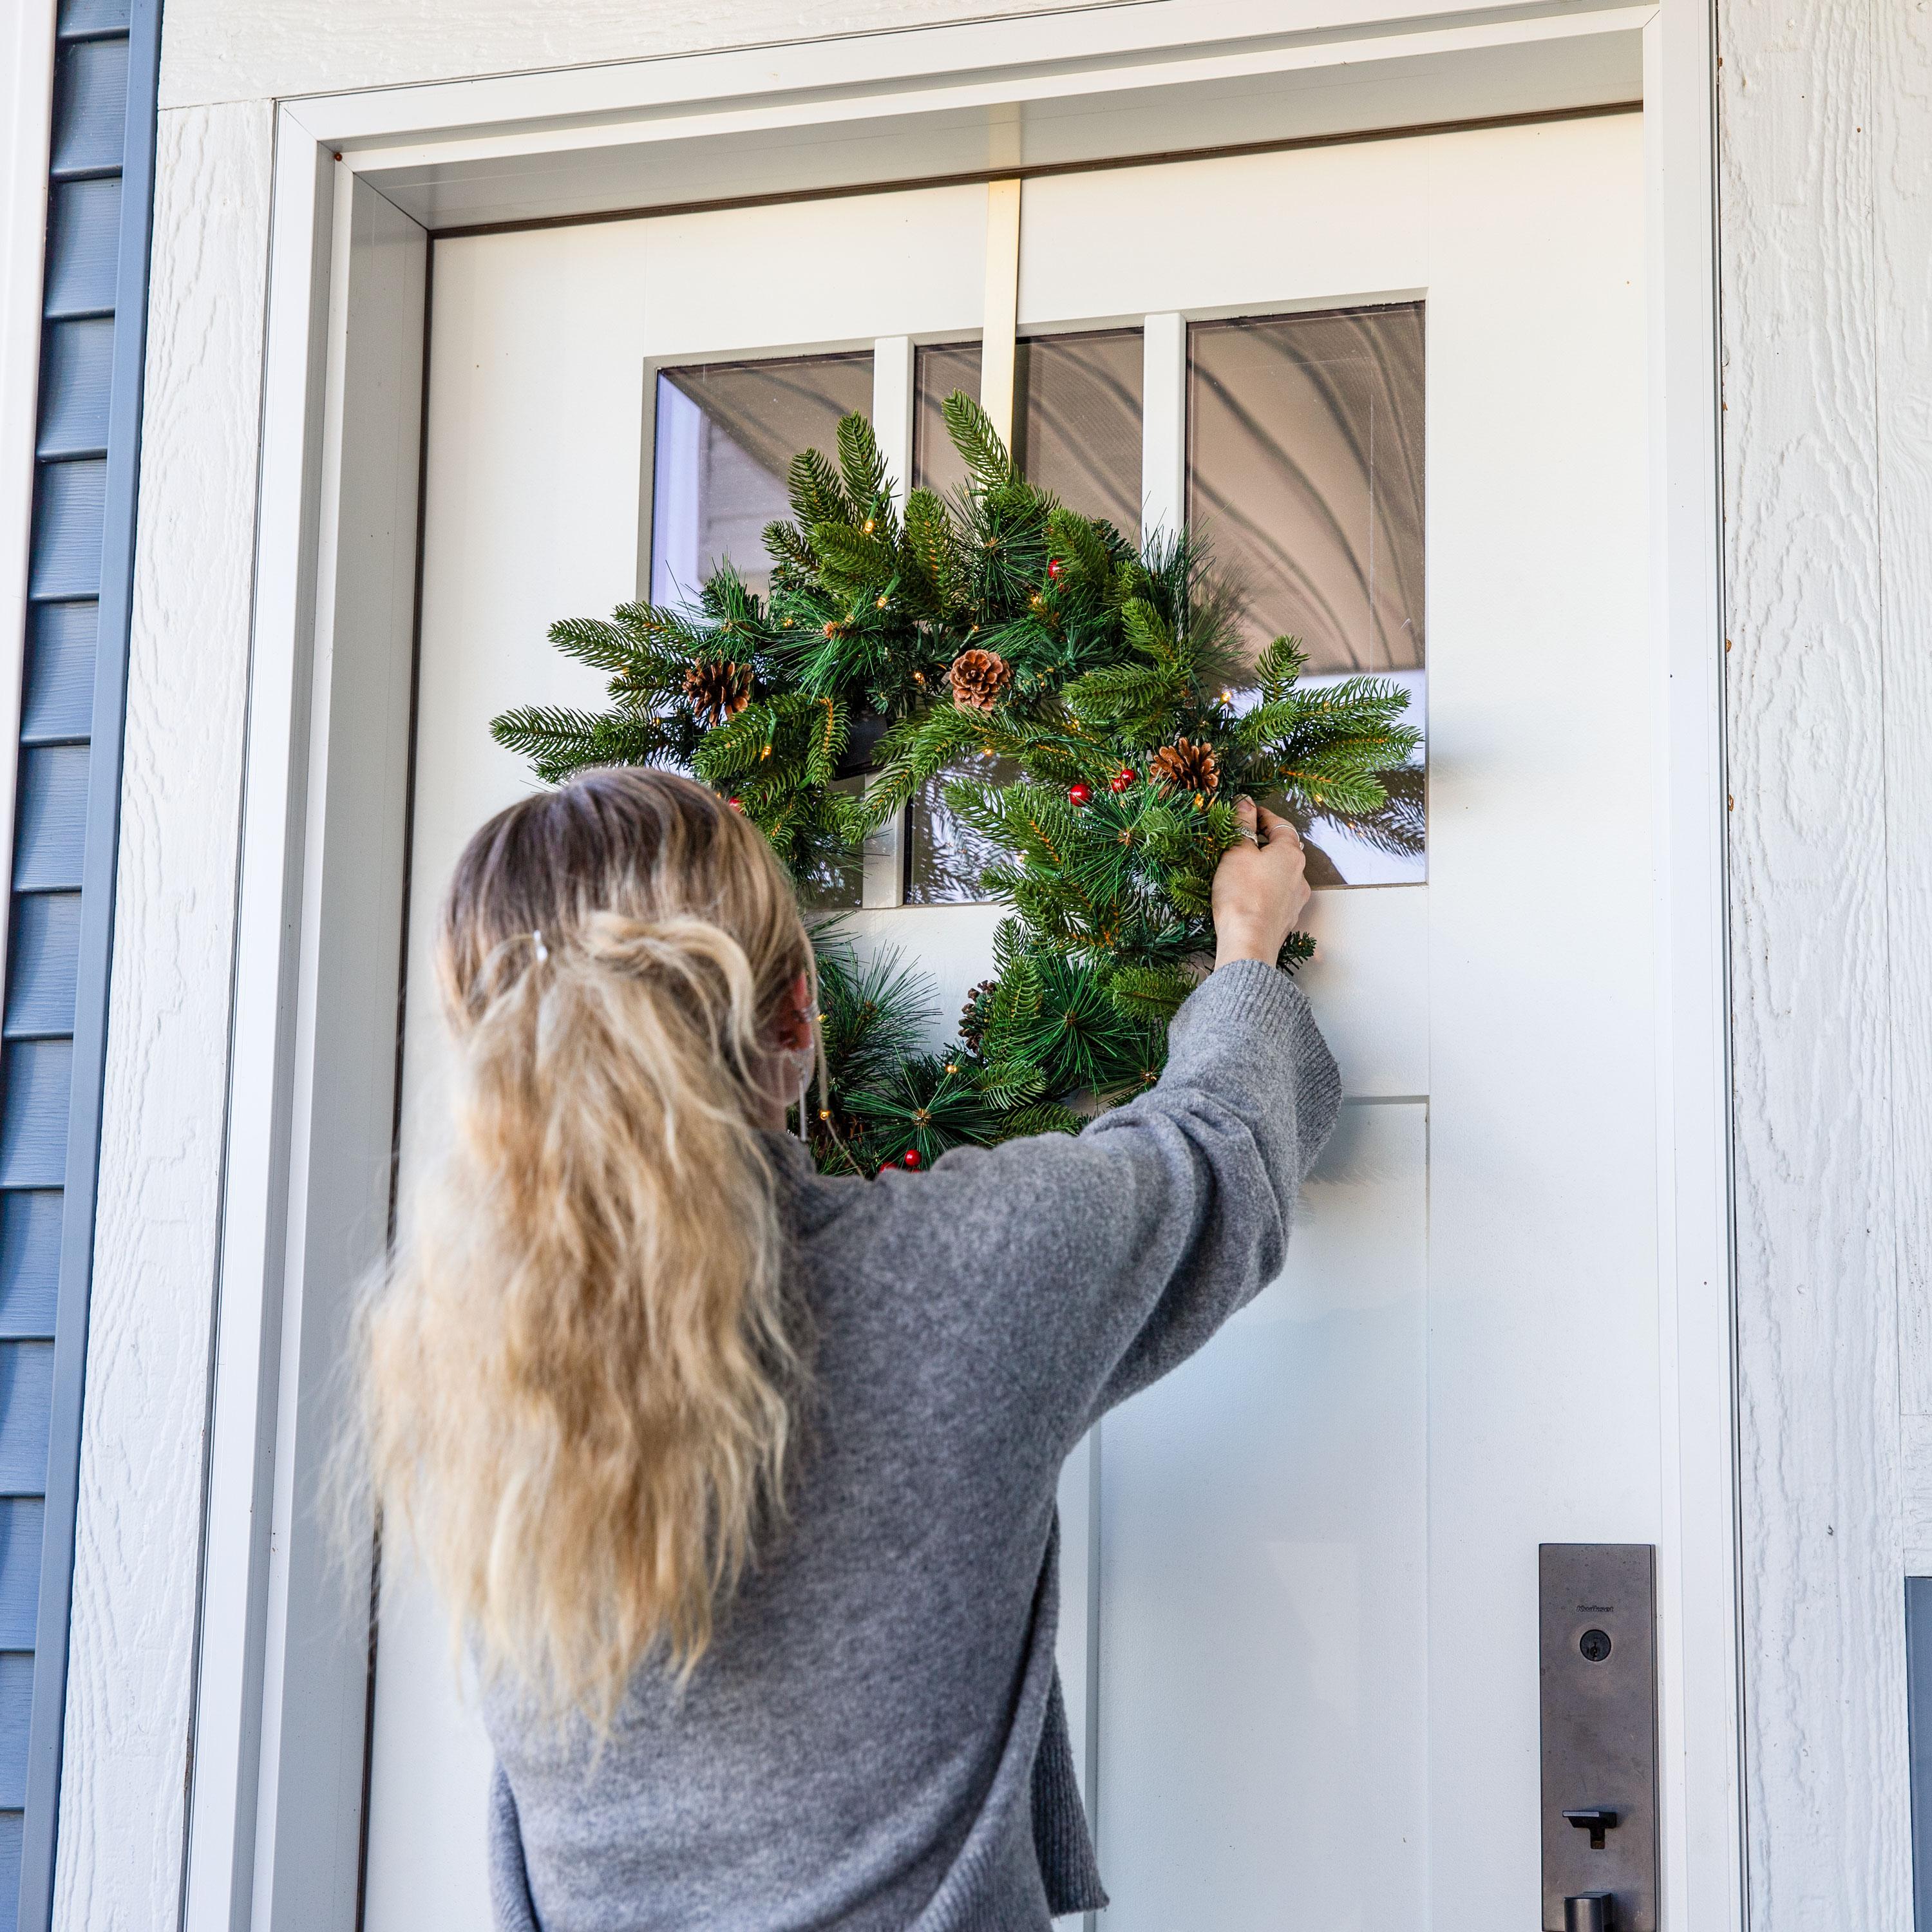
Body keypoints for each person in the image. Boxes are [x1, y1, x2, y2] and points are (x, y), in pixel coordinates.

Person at [356, 766, 1339, 1932]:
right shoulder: (955, 1275)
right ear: (798, 1019)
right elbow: (1219, 1152)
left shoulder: (460, 1365)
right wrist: (1248, 941)